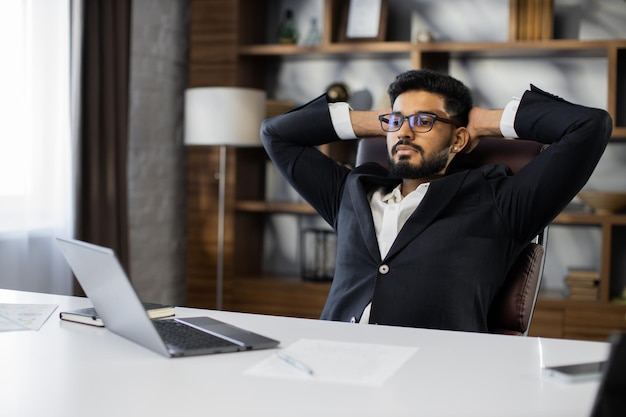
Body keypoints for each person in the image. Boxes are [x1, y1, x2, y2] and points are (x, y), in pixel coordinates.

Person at [261, 69, 611, 332]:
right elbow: (275, 134)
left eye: (424, 121)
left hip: (431, 374)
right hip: (333, 361)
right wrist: (378, 121)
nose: (405, 132)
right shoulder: (351, 191)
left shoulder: (500, 202)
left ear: (459, 140)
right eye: (397, 121)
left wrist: (484, 122)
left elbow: (590, 126)